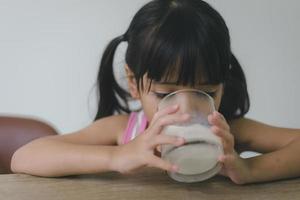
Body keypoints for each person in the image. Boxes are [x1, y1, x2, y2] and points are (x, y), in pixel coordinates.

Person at [11, 0, 300, 185]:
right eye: (165, 95)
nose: (187, 112)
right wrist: (119, 156)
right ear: (134, 83)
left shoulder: (229, 131)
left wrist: (251, 171)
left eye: (207, 91)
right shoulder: (124, 131)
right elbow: (25, 156)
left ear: (223, 83)